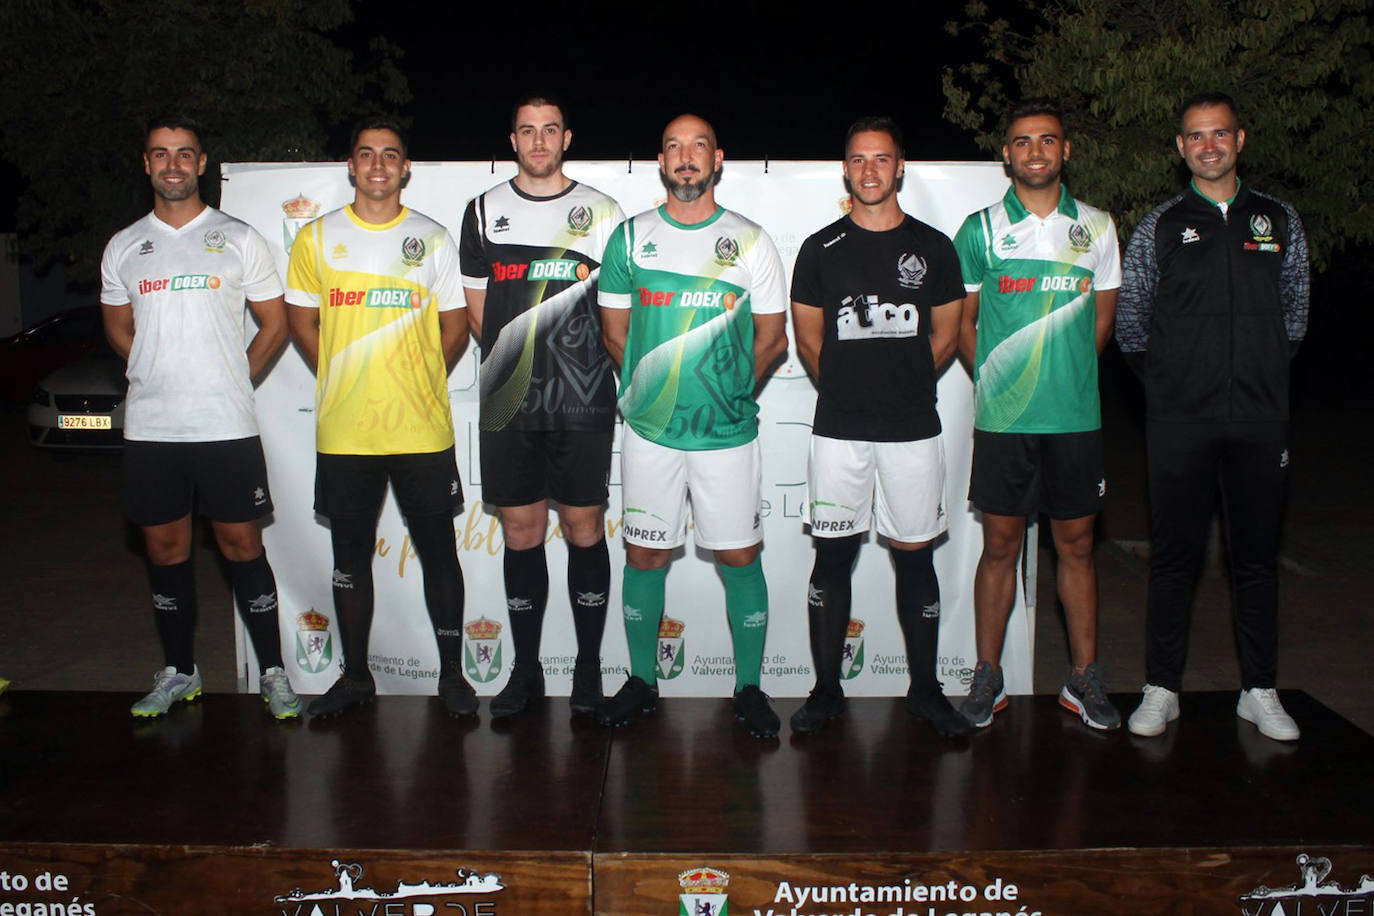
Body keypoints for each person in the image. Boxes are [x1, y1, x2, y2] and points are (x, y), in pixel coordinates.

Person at [1116, 92, 1309, 741]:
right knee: (1175, 557)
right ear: (1181, 148)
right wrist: (1172, 385)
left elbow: (1295, 315)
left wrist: (1256, 373)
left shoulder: (1277, 219)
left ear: (1240, 139)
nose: (1208, 145)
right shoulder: (1160, 225)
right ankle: (1161, 687)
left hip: (1259, 417)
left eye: (1219, 133)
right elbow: (1133, 322)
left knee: (1254, 558)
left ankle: (1259, 689)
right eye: (1195, 136)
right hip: (1180, 420)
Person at [101, 114, 300, 718]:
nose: (173, 165)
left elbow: (277, 322)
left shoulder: (239, 238)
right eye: (161, 154)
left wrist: (233, 375)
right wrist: (161, 369)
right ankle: (180, 672)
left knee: (242, 546)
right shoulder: (124, 246)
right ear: (146, 165)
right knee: (164, 549)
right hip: (153, 428)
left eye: (184, 154)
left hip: (225, 425)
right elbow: (116, 326)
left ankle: (273, 672)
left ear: (202, 163)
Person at [597, 113, 789, 737]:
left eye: (697, 147)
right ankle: (641, 682)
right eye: (674, 148)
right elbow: (613, 332)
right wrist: (654, 397)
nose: (686, 158)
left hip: (726, 434)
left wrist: (731, 394)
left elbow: (772, 339)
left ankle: (751, 687)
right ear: (661, 161)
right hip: (651, 435)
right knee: (644, 554)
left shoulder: (752, 241)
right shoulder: (630, 239)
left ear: (717, 159)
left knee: (739, 554)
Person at [285, 116, 476, 718]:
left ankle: (454, 677)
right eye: (365, 155)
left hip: (420, 428)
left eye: (389, 156)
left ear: (405, 168)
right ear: (350, 165)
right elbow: (300, 324)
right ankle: (356, 678)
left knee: (440, 553)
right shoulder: (315, 239)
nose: (377, 166)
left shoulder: (434, 239)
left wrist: (418, 379)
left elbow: (454, 329)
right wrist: (347, 377)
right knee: (349, 558)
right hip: (347, 431)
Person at [789, 117, 969, 738]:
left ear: (900, 168)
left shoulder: (935, 248)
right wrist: (845, 386)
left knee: (915, 561)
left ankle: (925, 691)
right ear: (846, 169)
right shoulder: (819, 249)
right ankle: (826, 691)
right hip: (839, 429)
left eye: (881, 159)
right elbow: (809, 341)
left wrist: (907, 381)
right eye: (859, 160)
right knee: (832, 560)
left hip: (913, 428)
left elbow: (946, 336)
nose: (870, 170)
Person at [953, 99, 1122, 731]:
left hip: (1075, 419)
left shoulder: (1098, 227)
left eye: (1047, 141)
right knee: (999, 547)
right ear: (1007, 154)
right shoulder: (980, 229)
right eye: (1022, 142)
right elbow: (963, 325)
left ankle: (1083, 679)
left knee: (1076, 547)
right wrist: (999, 382)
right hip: (1003, 422)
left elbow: (1102, 321)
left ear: (1065, 150)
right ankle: (987, 677)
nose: (1035, 152)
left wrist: (1065, 379)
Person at [459, 94, 624, 718]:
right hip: (509, 400)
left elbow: (617, 313)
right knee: (523, 533)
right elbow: (479, 312)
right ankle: (525, 673)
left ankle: (587, 674)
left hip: (582, 401)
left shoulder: (603, 213)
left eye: (549, 130)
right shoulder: (482, 212)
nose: (538, 141)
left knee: (584, 531)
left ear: (566, 138)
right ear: (513, 139)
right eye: (526, 130)